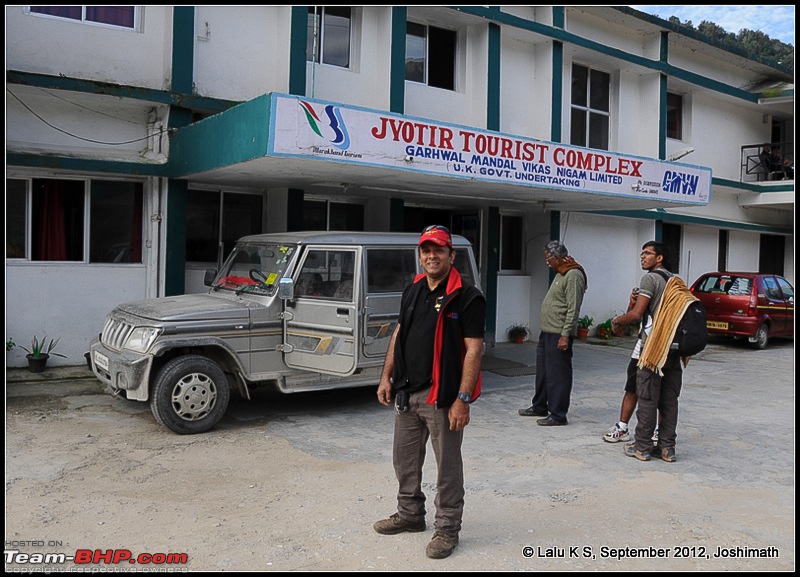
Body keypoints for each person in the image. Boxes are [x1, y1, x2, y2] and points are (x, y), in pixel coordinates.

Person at [373, 224, 486, 560]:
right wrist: (386, 376)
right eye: (426, 250)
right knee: (404, 460)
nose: (432, 255)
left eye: (439, 250)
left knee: (447, 467)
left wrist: (462, 400)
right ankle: (409, 515)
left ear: (452, 255)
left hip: (444, 397)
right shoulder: (414, 288)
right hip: (408, 393)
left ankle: (447, 528)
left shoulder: (467, 296)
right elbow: (399, 333)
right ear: (420, 255)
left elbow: (475, 350)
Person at [611, 241, 693, 463]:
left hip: (654, 349)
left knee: (647, 398)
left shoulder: (651, 279)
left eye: (647, 254)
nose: (642, 257)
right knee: (669, 401)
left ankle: (642, 447)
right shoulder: (677, 282)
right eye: (642, 253)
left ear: (660, 258)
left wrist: (616, 320)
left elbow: (637, 315)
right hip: (675, 350)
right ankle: (667, 449)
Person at [518, 240, 587, 426]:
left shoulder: (573, 274)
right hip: (548, 331)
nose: (547, 263)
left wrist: (565, 334)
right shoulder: (561, 272)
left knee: (558, 375)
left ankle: (558, 414)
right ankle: (540, 405)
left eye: (549, 259)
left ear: (558, 258)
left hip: (559, 333)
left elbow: (573, 308)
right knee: (543, 372)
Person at [602, 289, 661, 445]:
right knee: (631, 387)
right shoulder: (648, 287)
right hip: (640, 348)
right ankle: (622, 427)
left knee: (658, 392)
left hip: (659, 348)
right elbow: (634, 316)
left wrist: (617, 320)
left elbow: (633, 316)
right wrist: (633, 304)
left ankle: (658, 431)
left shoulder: (665, 288)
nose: (643, 262)